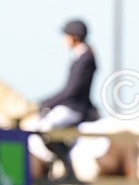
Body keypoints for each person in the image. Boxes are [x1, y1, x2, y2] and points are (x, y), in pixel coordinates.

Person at [29, 19, 98, 171]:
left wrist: (47, 103)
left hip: (75, 107)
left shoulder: (85, 58)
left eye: (66, 36)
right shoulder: (80, 55)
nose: (64, 40)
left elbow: (71, 90)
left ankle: (66, 165)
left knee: (45, 127)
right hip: (72, 104)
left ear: (74, 37)